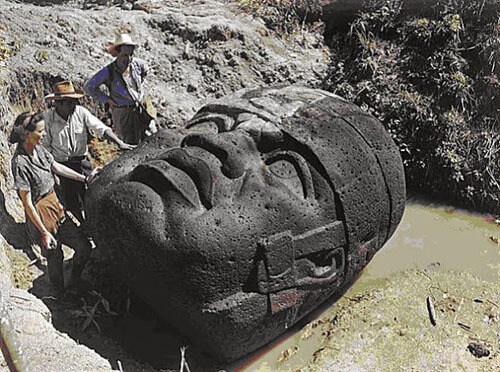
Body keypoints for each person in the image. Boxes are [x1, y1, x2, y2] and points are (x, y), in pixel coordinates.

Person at [10, 111, 97, 290]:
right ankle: (59, 292)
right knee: (54, 255)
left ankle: (74, 278)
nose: (44, 135)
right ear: (27, 134)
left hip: (55, 203)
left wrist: (84, 179)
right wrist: (43, 232)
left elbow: (55, 167)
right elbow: (27, 203)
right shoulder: (20, 163)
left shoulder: (39, 149)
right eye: (40, 132)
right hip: (40, 211)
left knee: (84, 247)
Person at [43, 80, 135, 224]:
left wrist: (119, 143)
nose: (73, 105)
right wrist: (53, 172)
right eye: (69, 102)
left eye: (75, 101)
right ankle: (82, 227)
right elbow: (46, 149)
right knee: (71, 200)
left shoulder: (81, 112)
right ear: (58, 103)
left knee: (92, 193)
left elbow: (101, 128)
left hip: (82, 162)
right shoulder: (47, 119)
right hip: (62, 166)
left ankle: (94, 226)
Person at [84, 33, 156, 145]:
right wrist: (107, 100)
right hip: (123, 112)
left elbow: (146, 70)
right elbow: (89, 87)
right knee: (128, 144)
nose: (128, 59)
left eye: (131, 55)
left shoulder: (137, 65)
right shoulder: (109, 71)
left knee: (151, 138)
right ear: (117, 53)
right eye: (124, 55)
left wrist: (139, 90)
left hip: (141, 108)